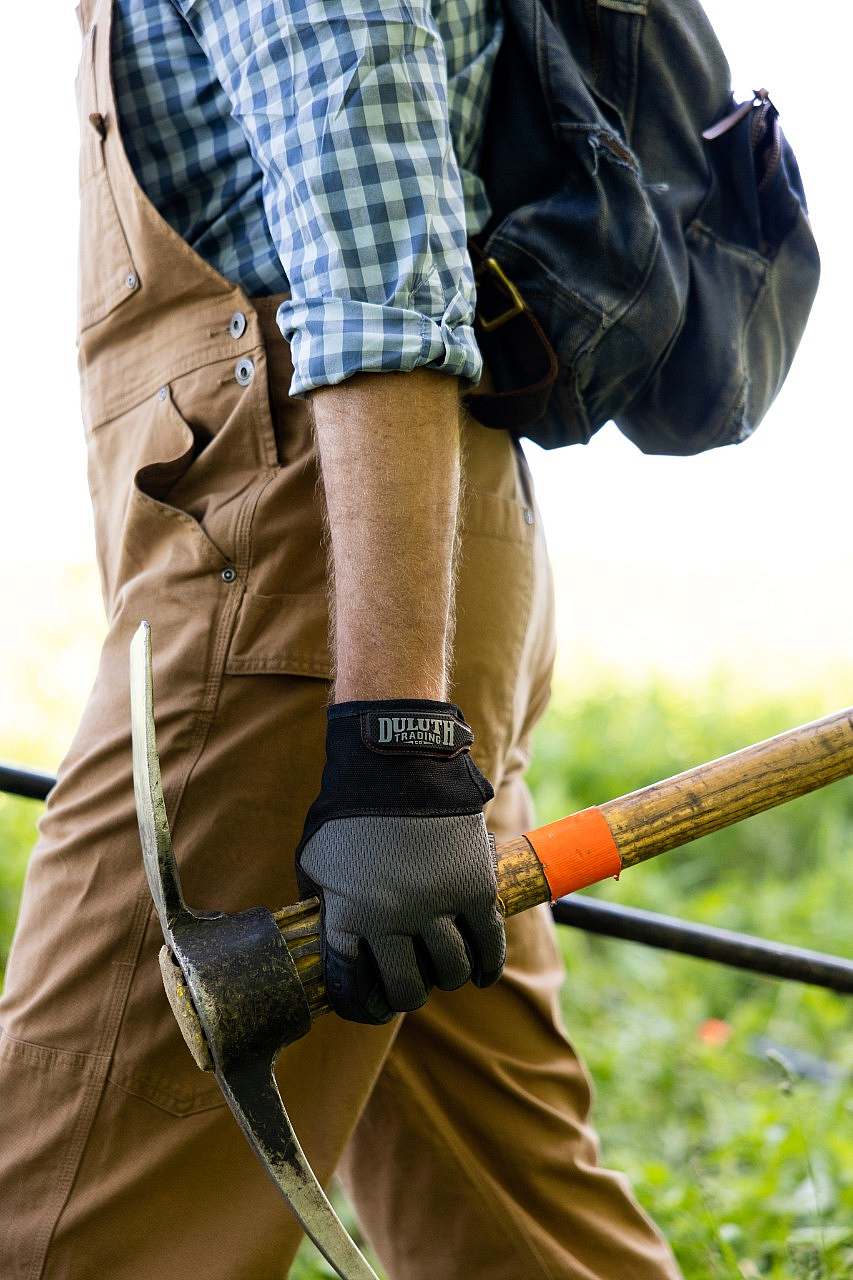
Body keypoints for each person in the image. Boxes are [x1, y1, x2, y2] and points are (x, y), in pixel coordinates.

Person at [0, 2, 682, 1276]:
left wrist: (393, 741)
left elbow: (379, 274)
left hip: (307, 611)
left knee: (59, 1227)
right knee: (503, 1212)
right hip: (394, 582)